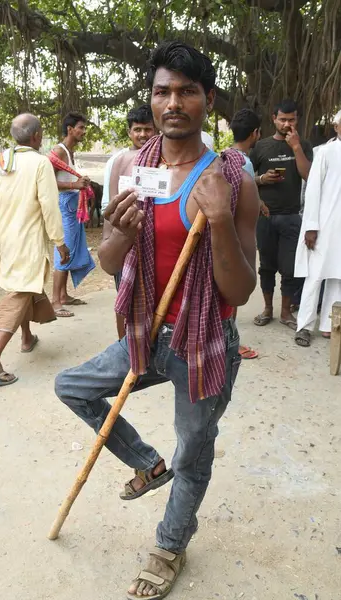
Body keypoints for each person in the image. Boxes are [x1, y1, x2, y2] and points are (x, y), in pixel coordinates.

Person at [55, 41, 259, 599]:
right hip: (146, 334)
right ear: (152, 99)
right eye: (163, 91)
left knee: (195, 450)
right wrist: (117, 233)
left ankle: (169, 545)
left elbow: (241, 288)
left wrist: (218, 221)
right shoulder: (134, 168)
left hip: (205, 342)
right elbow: (110, 263)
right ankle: (148, 463)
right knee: (70, 386)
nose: (174, 103)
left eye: (187, 91)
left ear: (207, 100)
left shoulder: (232, 177)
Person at [0, 113, 69, 387]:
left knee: (26, 285)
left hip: (8, 239)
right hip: (29, 241)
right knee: (22, 291)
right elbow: (49, 205)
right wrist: (60, 241)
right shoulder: (40, 163)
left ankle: (26, 338)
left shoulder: (1, 161)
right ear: (37, 136)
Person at [250, 99, 313, 331]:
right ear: (273, 119)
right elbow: (245, 177)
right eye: (283, 119)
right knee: (266, 266)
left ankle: (286, 312)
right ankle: (268, 309)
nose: (287, 124)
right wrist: (261, 179)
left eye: (291, 119)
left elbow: (308, 176)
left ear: (297, 120)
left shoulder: (303, 144)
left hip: (291, 217)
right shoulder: (261, 146)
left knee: (289, 268)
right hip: (265, 216)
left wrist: (295, 147)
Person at [102, 104, 156, 339]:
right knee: (124, 296)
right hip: (125, 237)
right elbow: (111, 202)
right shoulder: (119, 161)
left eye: (147, 129)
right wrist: (110, 241)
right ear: (129, 132)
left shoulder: (164, 158)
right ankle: (124, 346)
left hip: (154, 238)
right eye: (137, 130)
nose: (143, 135)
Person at [294, 111, 341, 347]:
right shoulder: (324, 152)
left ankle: (329, 325)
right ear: (336, 126)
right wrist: (311, 227)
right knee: (315, 276)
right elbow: (312, 191)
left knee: (338, 277)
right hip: (323, 226)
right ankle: (304, 326)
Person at [51, 112, 95, 317]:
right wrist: (74, 184)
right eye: (81, 128)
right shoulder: (58, 152)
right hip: (64, 206)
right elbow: (45, 181)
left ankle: (63, 296)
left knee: (70, 249)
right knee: (64, 250)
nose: (83, 132)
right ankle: (54, 302)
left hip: (71, 204)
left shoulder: (69, 151)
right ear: (70, 129)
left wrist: (79, 186)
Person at [230, 108, 264, 360]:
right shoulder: (245, 162)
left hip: (220, 233)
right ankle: (231, 342)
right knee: (234, 292)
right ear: (255, 134)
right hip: (235, 236)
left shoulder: (221, 156)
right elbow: (245, 204)